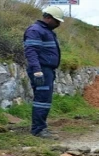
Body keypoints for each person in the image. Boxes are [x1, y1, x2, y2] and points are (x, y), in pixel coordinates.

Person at [23, 6, 64, 139]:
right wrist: (37, 71)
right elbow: (31, 51)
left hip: (47, 70)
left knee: (44, 99)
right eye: (56, 21)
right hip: (42, 70)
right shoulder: (36, 30)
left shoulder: (46, 31)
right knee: (42, 100)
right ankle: (38, 130)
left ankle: (40, 127)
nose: (58, 24)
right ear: (48, 18)